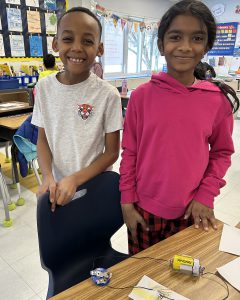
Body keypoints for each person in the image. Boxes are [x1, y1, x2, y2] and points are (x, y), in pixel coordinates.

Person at [119, 0, 239, 255]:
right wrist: (127, 201)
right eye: (175, 37)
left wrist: (206, 196)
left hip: (193, 211)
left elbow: (221, 153)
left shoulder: (216, 101)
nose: (185, 47)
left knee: (186, 284)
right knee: (144, 281)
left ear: (206, 46)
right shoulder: (141, 97)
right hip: (143, 211)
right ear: (162, 45)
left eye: (196, 38)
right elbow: (130, 151)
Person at [31, 7, 122, 211]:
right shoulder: (43, 88)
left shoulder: (108, 95)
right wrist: (47, 176)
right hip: (58, 190)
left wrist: (75, 179)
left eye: (88, 41)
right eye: (68, 39)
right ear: (56, 44)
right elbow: (43, 139)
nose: (77, 47)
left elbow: (112, 152)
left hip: (96, 189)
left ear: (100, 49)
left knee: (94, 238)